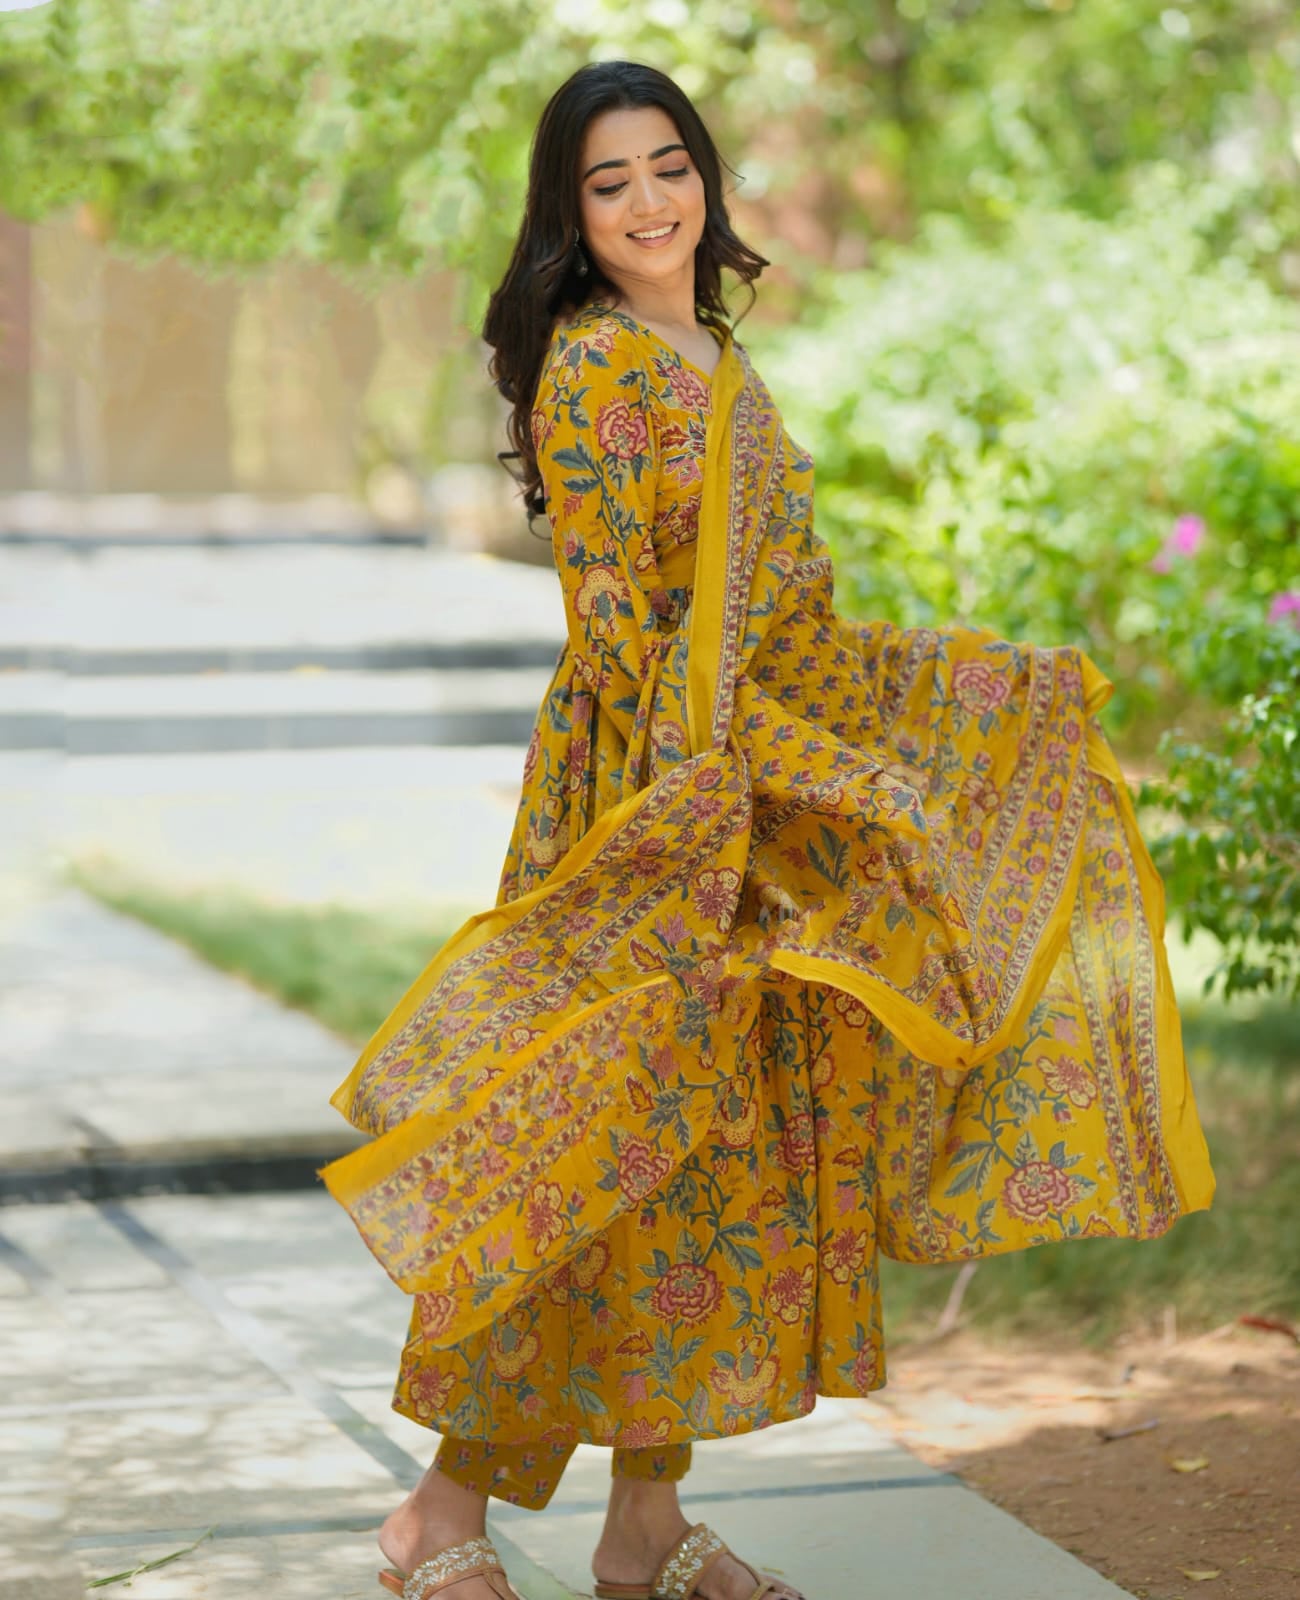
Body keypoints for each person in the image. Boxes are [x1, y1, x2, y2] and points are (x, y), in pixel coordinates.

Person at [323, 59, 1216, 1600]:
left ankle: (643, 1526)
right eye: (610, 184)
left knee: (709, 1168)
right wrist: (776, 790)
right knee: (583, 1148)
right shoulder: (601, 368)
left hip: (758, 789)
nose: (650, 202)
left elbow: (774, 614)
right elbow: (625, 642)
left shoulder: (705, 346)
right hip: (658, 815)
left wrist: (921, 711)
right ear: (569, 212)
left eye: (669, 166)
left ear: (705, 175)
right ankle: (438, 1519)